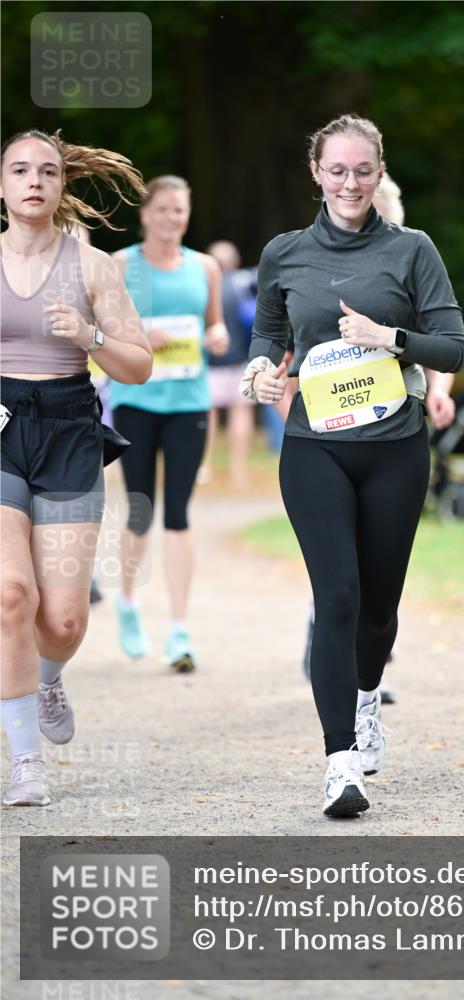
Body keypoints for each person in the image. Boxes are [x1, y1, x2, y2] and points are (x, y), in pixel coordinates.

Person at [241, 114, 464, 817]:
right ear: (316, 172)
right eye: (336, 169)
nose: (348, 182)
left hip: (395, 450)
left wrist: (388, 337)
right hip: (314, 447)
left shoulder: (412, 249)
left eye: (361, 170)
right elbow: (266, 337)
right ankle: (340, 763)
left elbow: (453, 348)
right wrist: (258, 377)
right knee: (335, 597)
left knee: (377, 609)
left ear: (378, 173)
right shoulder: (284, 252)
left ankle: (368, 698)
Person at [0, 128, 152, 807]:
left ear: (63, 188)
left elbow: (139, 366)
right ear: (2, 185)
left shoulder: (92, 268)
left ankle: (50, 676)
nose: (34, 180)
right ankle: (25, 761)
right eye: (20, 169)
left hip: (67, 429)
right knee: (10, 596)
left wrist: (89, 337)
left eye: (49, 171)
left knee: (61, 620)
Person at [109, 176, 229, 672]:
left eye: (179, 210)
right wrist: (140, 334)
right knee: (140, 510)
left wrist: (218, 335)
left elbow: (215, 322)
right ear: (145, 214)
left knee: (178, 514)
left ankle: (180, 631)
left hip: (189, 403)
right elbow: (105, 330)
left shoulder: (206, 267)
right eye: (162, 209)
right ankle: (128, 600)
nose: (171, 218)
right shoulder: (121, 264)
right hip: (137, 399)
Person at [198, 241, 257, 487]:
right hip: (241, 360)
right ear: (236, 261)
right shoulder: (244, 284)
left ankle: (204, 466)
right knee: (241, 412)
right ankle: (239, 469)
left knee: (207, 416)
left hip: (210, 363)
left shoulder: (203, 287)